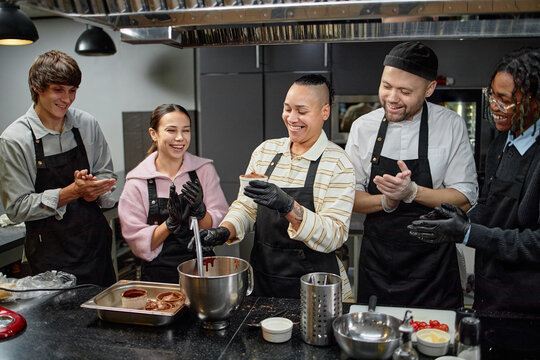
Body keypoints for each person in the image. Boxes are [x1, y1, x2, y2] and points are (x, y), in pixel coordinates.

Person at [193, 74, 356, 299]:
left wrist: (288, 206)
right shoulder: (265, 152)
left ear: (324, 112)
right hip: (263, 282)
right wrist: (224, 230)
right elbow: (246, 207)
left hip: (315, 289)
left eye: (302, 111)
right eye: (287, 108)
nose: (291, 118)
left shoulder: (338, 163)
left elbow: (334, 236)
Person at [345, 41, 478, 309]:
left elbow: (464, 198)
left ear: (429, 89)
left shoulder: (450, 125)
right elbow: (347, 196)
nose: (392, 98)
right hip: (377, 265)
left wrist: (413, 192)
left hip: (434, 268)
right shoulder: (363, 127)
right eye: (386, 86)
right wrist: (385, 202)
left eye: (405, 91)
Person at [409, 47, 540, 314]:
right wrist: (458, 217)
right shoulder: (501, 142)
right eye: (492, 95)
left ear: (535, 101)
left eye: (505, 100)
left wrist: (469, 232)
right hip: (491, 290)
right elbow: (493, 206)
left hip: (528, 302)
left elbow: (536, 243)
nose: (494, 106)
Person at [0, 50, 117, 286]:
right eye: (58, 90)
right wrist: (72, 192)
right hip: (50, 258)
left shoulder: (87, 125)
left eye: (72, 90)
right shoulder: (15, 140)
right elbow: (16, 207)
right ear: (36, 87)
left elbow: (106, 174)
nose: (67, 99)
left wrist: (96, 188)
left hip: (95, 249)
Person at [118, 104, 229, 283]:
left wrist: (201, 213)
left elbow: (220, 225)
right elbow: (138, 244)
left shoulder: (203, 170)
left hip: (203, 272)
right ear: (153, 134)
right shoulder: (137, 181)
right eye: (171, 130)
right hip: (159, 278)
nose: (180, 138)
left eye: (186, 130)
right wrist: (169, 225)